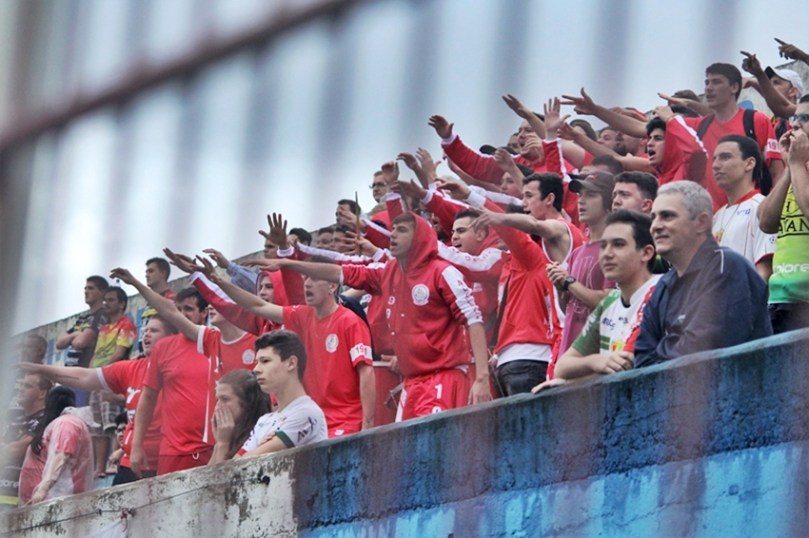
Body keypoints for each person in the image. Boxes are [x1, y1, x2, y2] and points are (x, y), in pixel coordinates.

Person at [261, 213, 492, 418]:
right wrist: (289, 263)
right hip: (411, 382)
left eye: (402, 230)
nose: (393, 235)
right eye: (393, 229)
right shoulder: (386, 272)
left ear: (419, 237)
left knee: (435, 446)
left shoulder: (443, 272)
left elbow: (473, 320)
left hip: (444, 376)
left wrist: (482, 378)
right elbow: (339, 272)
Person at [193, 256, 375, 437]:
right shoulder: (301, 315)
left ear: (333, 285)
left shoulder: (350, 322)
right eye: (305, 278)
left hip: (345, 423)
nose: (307, 284)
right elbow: (257, 305)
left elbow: (366, 372)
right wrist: (218, 281)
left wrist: (367, 426)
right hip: (308, 422)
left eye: (314, 278)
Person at [18, 316, 178, 484]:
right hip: (131, 463)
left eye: (154, 331)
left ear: (172, 338)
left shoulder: (181, 370)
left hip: (167, 462)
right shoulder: (132, 368)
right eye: (145, 331)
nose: (146, 335)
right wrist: (40, 369)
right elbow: (84, 377)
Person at [633, 181, 772, 368]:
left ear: (702, 222)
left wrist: (659, 353)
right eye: (653, 217)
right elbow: (642, 359)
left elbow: (701, 350)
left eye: (667, 216)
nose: (655, 226)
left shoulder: (728, 268)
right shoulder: (664, 285)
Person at [540, 211, 660, 387]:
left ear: (646, 253)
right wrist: (594, 361)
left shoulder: (658, 292)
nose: (607, 254)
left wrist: (567, 383)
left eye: (618, 245)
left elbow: (624, 366)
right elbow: (562, 366)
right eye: (604, 246)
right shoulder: (610, 301)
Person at [130, 287, 214, 476]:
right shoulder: (163, 348)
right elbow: (147, 398)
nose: (182, 315)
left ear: (204, 313)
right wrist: (136, 445)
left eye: (188, 309)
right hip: (172, 451)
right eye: (178, 309)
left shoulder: (217, 342)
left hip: (212, 449)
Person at [547, 172, 616, 358]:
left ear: (609, 201)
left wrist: (569, 281)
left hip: (597, 356)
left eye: (591, 195)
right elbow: (569, 308)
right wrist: (561, 287)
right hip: (569, 352)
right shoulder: (577, 253)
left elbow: (607, 302)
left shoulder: (614, 248)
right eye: (580, 195)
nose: (581, 201)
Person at [229, 331, 327, 458]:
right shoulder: (264, 421)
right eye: (257, 362)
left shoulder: (307, 413)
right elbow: (235, 464)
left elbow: (249, 461)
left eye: (265, 361)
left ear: (291, 363)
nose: (256, 369)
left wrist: (258, 449)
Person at [759, 96, 809, 333]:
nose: (795, 124)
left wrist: (797, 165)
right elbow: (766, 222)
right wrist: (790, 167)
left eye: (805, 118)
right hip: (781, 299)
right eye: (794, 117)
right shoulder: (796, 169)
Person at [711, 134, 776, 281]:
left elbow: (765, 270)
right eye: (714, 159)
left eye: (725, 157)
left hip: (746, 294)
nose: (715, 165)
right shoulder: (716, 217)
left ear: (749, 163)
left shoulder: (762, 209)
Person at [87, 286, 136, 478]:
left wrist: (101, 372)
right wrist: (90, 372)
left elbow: (119, 353)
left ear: (122, 304)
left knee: (112, 423)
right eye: (105, 300)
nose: (106, 303)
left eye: (111, 300)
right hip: (97, 378)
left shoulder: (127, 324)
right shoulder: (104, 328)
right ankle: (99, 467)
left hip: (112, 378)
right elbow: (97, 354)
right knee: (97, 425)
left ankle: (113, 463)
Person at [18, 386, 93, 505]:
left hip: (57, 500)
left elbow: (61, 456)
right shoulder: (58, 424)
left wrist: (43, 489)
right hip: (43, 502)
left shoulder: (67, 423)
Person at [55, 275, 110, 406]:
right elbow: (59, 343)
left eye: (91, 288)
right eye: (85, 288)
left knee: (78, 412)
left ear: (102, 292)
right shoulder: (83, 318)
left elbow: (81, 342)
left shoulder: (102, 314)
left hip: (84, 375)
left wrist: (75, 338)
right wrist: (76, 334)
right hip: (69, 375)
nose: (86, 292)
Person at [0, 373, 51, 510]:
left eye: (27, 386)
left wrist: (10, 448)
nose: (21, 389)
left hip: (22, 498)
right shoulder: (15, 421)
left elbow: (16, 451)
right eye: (21, 385)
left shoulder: (45, 420)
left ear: (42, 393)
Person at [208, 370, 271, 464]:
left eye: (225, 399)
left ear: (246, 403)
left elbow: (224, 473)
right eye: (217, 399)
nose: (217, 407)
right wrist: (218, 443)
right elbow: (208, 472)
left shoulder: (260, 434)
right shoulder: (230, 434)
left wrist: (223, 444)